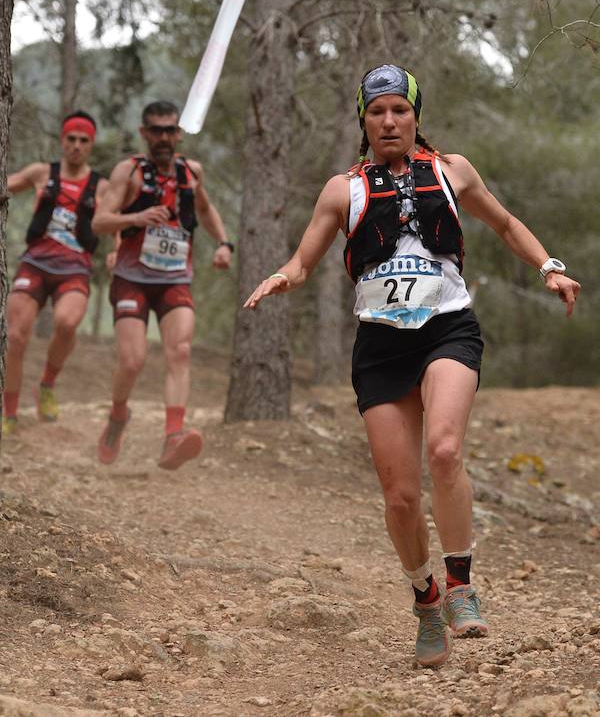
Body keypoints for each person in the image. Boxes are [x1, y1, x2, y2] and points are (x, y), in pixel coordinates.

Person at [244, 64, 580, 668]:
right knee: (400, 496)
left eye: (400, 109)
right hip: (381, 346)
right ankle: (426, 601)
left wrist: (548, 266)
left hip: (448, 328)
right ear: (363, 121)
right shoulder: (340, 190)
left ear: (416, 115)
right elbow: (303, 260)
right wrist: (281, 278)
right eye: (377, 112)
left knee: (445, 450)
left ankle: (462, 585)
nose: (389, 121)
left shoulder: (452, 171)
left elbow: (503, 223)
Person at [91, 100, 232, 471]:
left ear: (179, 133)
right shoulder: (130, 171)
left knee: (180, 351)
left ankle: (173, 436)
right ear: (144, 133)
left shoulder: (191, 172)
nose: (164, 138)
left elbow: (205, 210)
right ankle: (118, 416)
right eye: (156, 130)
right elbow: (100, 222)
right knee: (133, 360)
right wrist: (137, 216)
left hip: (174, 278)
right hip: (131, 279)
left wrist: (222, 243)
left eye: (170, 130)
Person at [3, 111, 107, 433]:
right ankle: (9, 413)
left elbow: (114, 221)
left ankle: (47, 384)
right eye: (71, 139)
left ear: (91, 145)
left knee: (67, 322)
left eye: (83, 140)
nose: (76, 146)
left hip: (74, 268)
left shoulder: (100, 186)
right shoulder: (41, 173)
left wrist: (117, 250)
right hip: (35, 262)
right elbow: (6, 186)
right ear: (62, 141)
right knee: (15, 337)